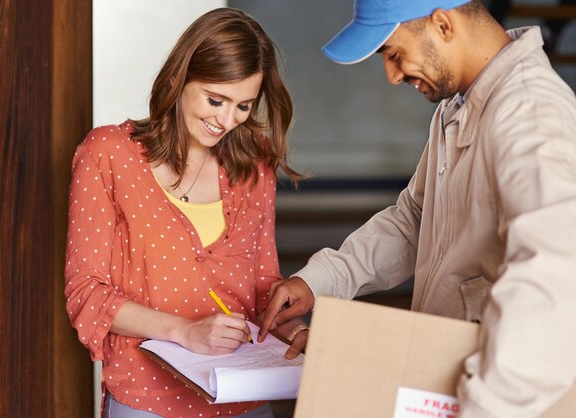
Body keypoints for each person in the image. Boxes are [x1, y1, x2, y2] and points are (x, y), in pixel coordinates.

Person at [258, 0, 576, 416]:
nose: (392, 75)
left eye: (394, 53)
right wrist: (323, 280)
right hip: (453, 376)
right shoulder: (459, 106)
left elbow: (552, 281)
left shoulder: (529, 114)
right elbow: (414, 220)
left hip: (505, 397)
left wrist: (488, 408)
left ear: (443, 24)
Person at [64, 7, 307, 418]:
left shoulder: (256, 164)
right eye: (216, 100)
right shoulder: (107, 155)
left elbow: (263, 284)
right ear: (179, 78)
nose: (227, 120)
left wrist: (291, 328)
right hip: (146, 401)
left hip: (244, 399)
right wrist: (184, 331)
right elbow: (87, 294)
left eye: (244, 106)